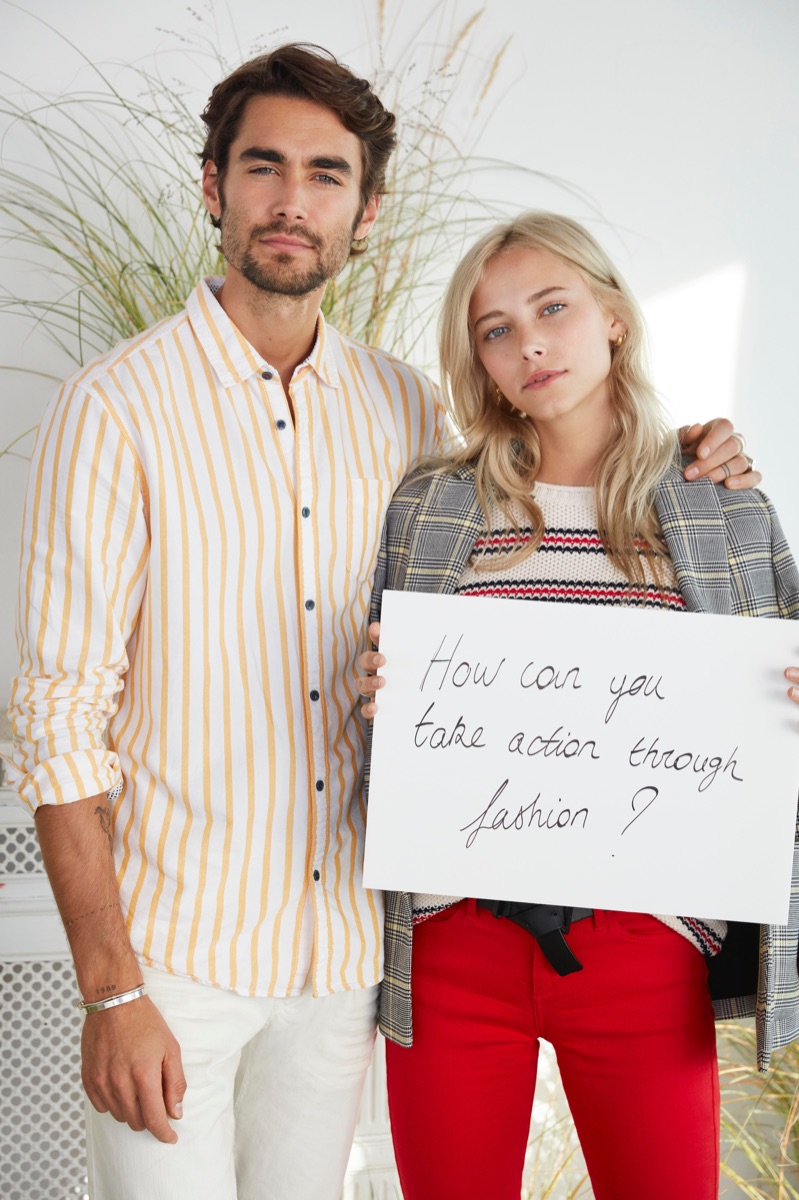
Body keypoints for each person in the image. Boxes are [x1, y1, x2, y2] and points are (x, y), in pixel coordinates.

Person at [4, 42, 754, 1200]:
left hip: (350, 958)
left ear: (365, 209)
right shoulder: (113, 408)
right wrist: (111, 988)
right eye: (263, 167)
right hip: (178, 959)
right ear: (214, 187)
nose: (292, 200)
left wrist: (700, 461)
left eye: (325, 174)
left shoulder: (408, 410)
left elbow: (530, 550)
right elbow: (56, 716)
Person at [357, 211, 799, 1200]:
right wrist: (379, 687)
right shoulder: (432, 505)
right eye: (495, 328)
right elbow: (378, 702)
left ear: (612, 319)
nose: (530, 344)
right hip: (450, 940)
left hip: (644, 941)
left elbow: (768, 718)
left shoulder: (720, 505)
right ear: (478, 361)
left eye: (551, 307)